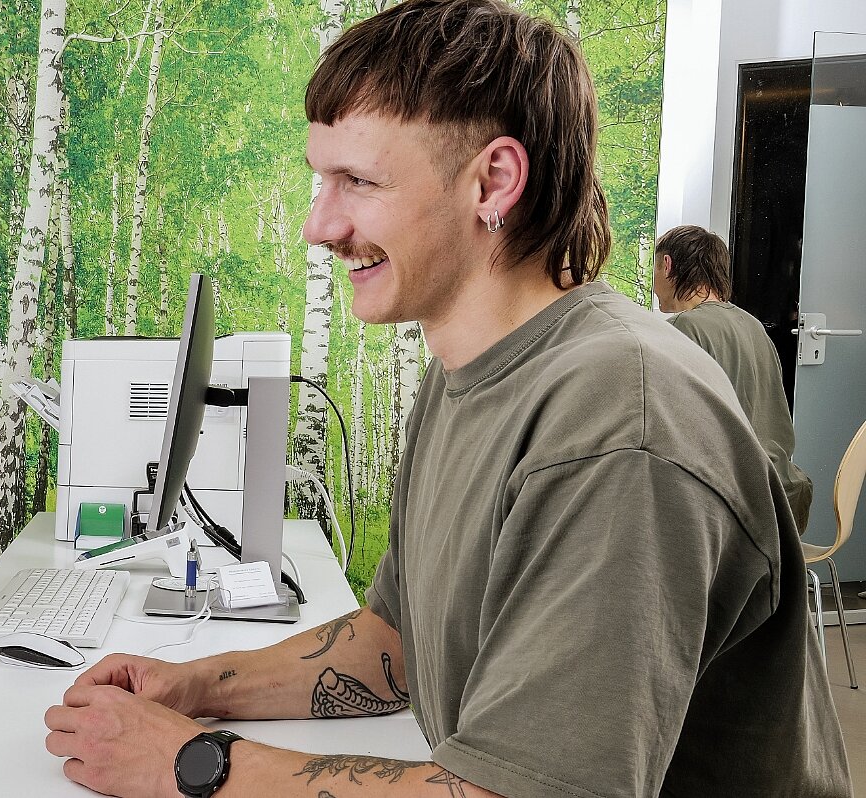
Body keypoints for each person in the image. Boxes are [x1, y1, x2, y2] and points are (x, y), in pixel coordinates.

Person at [41, 2, 849, 796]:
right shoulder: (464, 367)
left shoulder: (617, 419)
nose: (318, 226)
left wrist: (192, 762)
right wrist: (194, 686)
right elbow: (395, 642)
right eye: (323, 179)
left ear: (493, 180)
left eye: (357, 180)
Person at [654, 224, 815, 531]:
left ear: (667, 266)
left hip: (732, 505)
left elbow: (671, 426)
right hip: (780, 494)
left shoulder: (684, 329)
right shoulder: (752, 325)